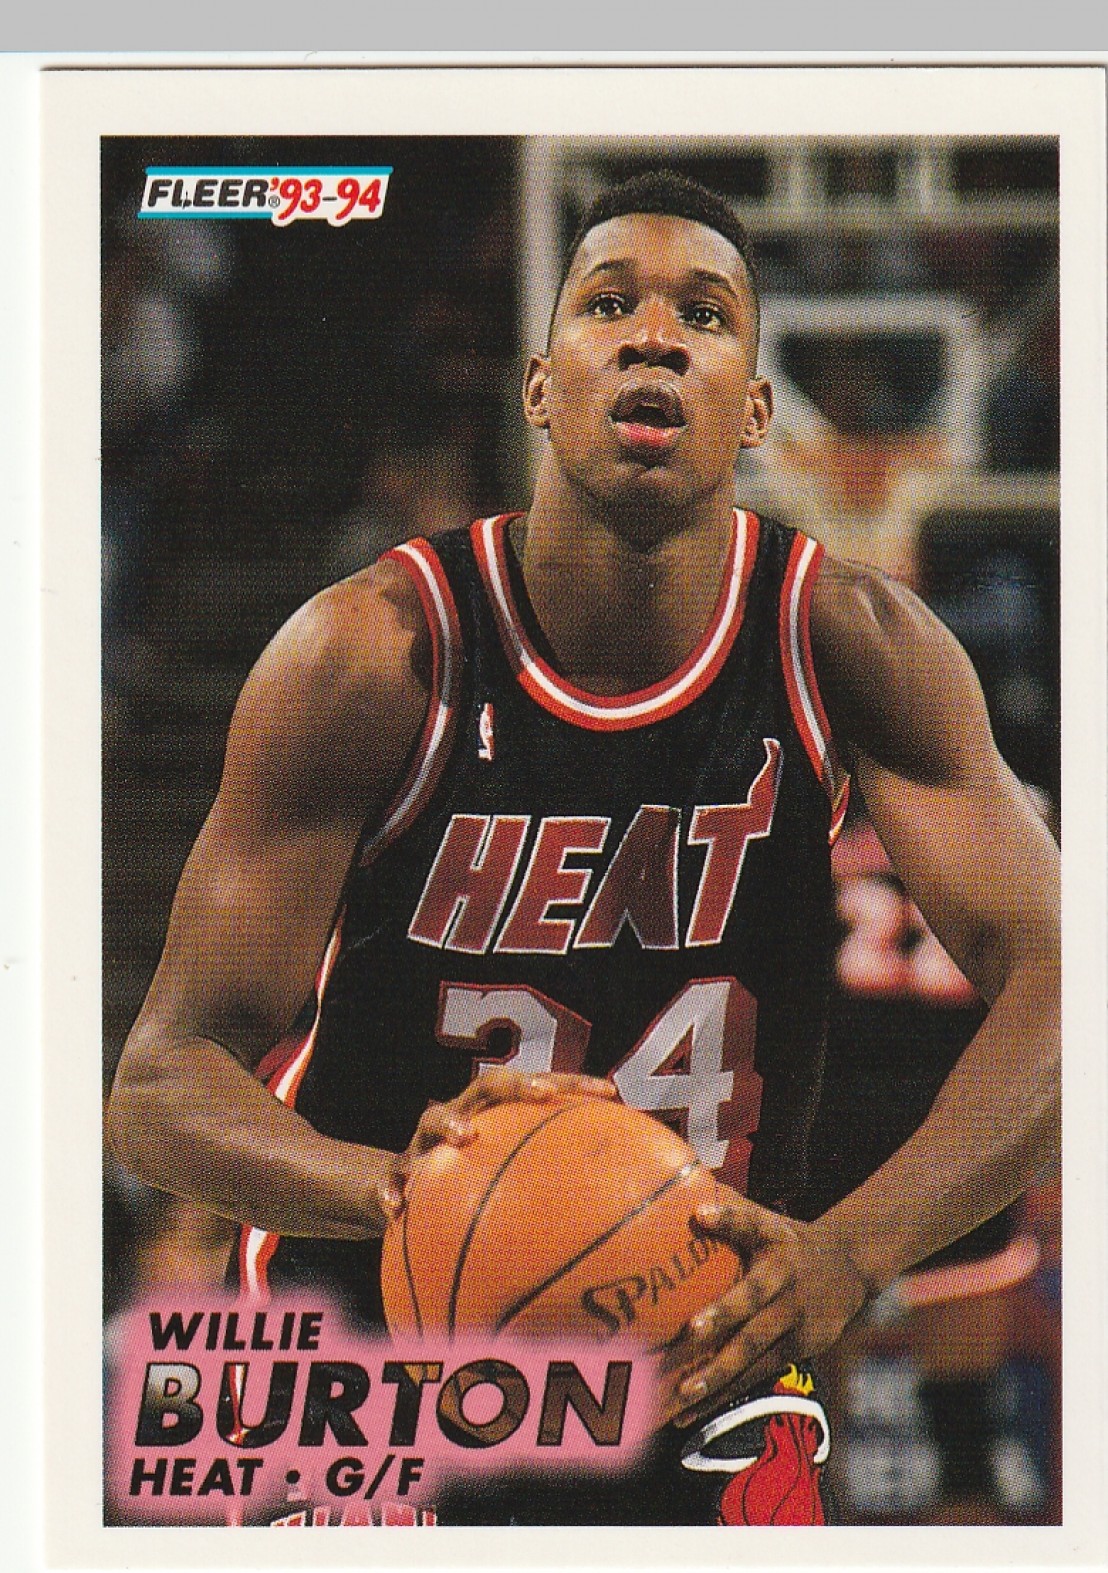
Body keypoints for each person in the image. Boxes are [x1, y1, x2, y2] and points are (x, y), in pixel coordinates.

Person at [106, 171, 1060, 1525]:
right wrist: (399, 1191)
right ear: (541, 386)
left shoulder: (851, 645)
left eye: (703, 314)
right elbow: (160, 1084)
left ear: (756, 408)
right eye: (608, 302)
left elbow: (1066, 987)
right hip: (375, 1346)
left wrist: (855, 1248)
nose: (653, 335)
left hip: (704, 1347)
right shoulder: (370, 655)